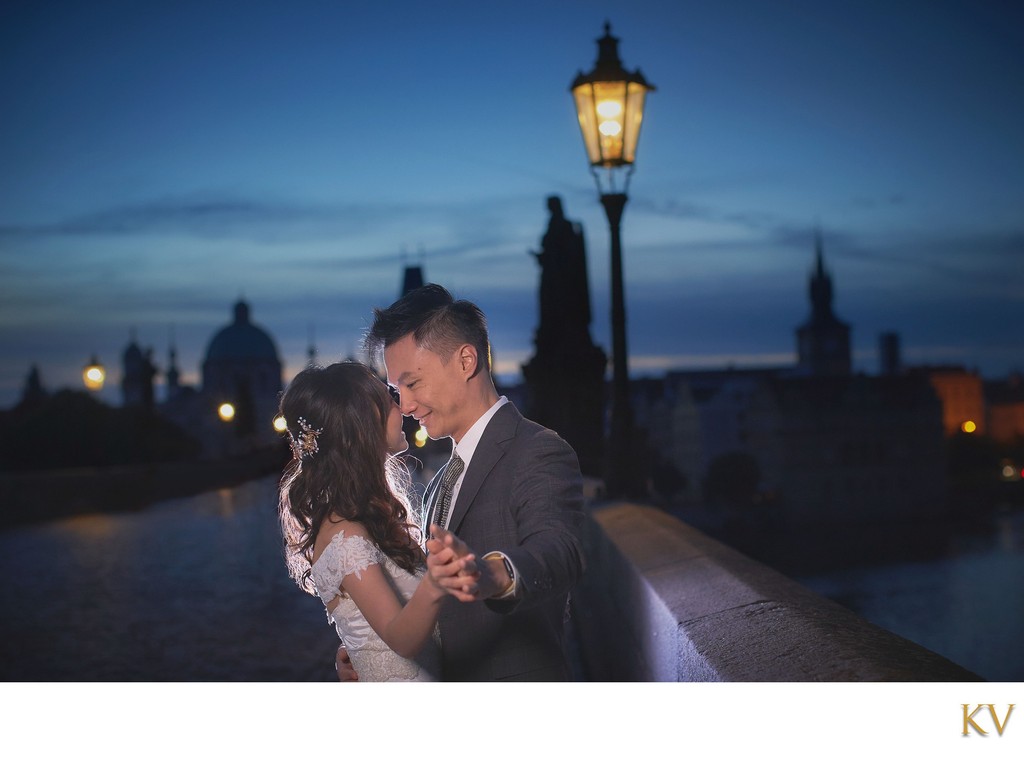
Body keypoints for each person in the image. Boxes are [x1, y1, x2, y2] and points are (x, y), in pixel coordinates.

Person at [342, 282, 586, 681]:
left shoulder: (538, 449)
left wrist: (491, 574)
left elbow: (561, 550)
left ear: (466, 361)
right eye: (396, 389)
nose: (403, 405)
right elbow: (436, 607)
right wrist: (372, 655)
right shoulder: (440, 480)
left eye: (413, 383)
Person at [277, 361, 477, 682]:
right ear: (363, 427)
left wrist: (361, 653)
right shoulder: (345, 535)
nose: (403, 409)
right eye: (389, 402)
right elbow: (402, 641)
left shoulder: (368, 515)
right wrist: (437, 581)